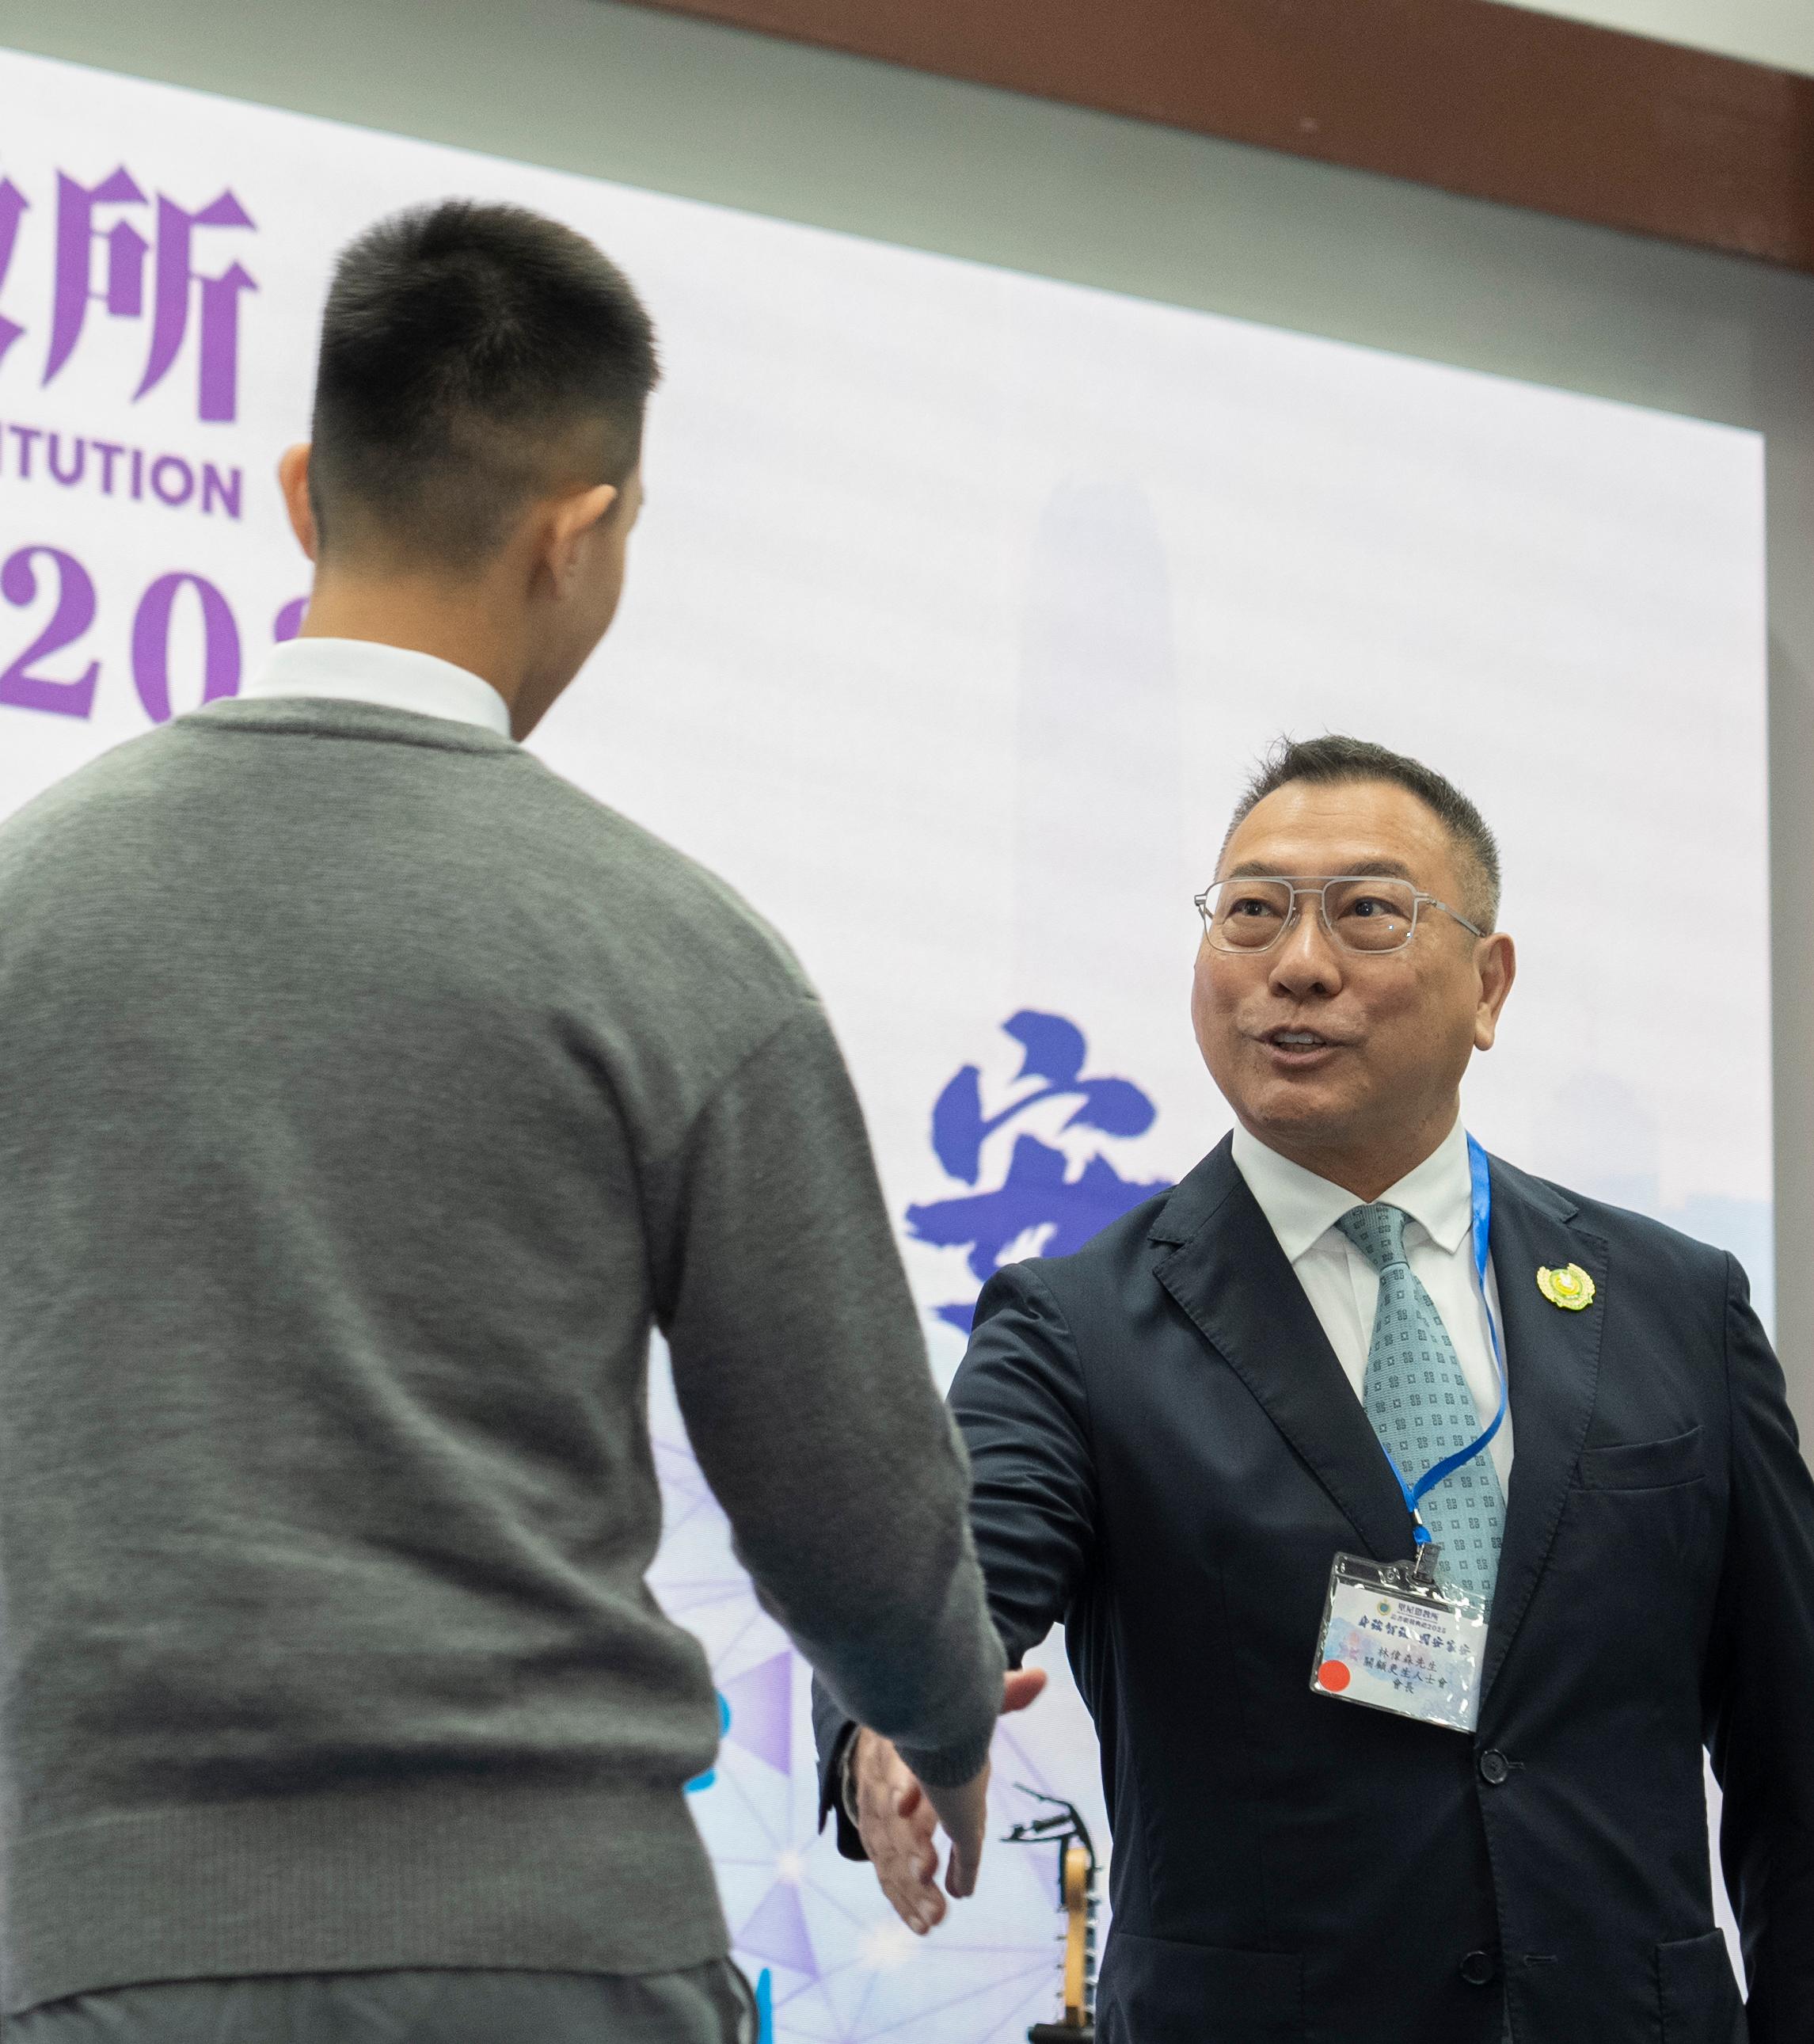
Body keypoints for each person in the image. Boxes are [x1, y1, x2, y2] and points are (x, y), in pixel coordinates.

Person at [0, 200, 1011, 2044]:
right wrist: (935, 1718)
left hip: (103, 1950)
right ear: (585, 531)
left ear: (307, 489)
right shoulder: (680, 953)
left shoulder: (23, 902)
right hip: (554, 1961)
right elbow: (851, 1498)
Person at [816, 736, 1814, 2043]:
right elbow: (937, 1569)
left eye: (1367, 912)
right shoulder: (1079, 1326)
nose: (1296, 961)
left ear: (1489, 984)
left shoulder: (1675, 1302)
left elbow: (1795, 1755)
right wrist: (891, 1725)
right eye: (1252, 911)